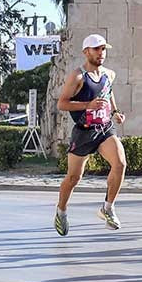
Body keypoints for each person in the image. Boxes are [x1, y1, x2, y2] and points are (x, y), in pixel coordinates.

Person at [54, 34, 126, 237]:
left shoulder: (109, 74)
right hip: (83, 132)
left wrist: (115, 112)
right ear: (86, 52)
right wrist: (88, 105)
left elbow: (108, 91)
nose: (101, 53)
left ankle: (108, 207)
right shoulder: (77, 76)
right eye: (96, 49)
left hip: (104, 129)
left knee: (120, 163)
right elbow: (62, 103)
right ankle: (61, 211)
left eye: (103, 49)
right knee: (74, 177)